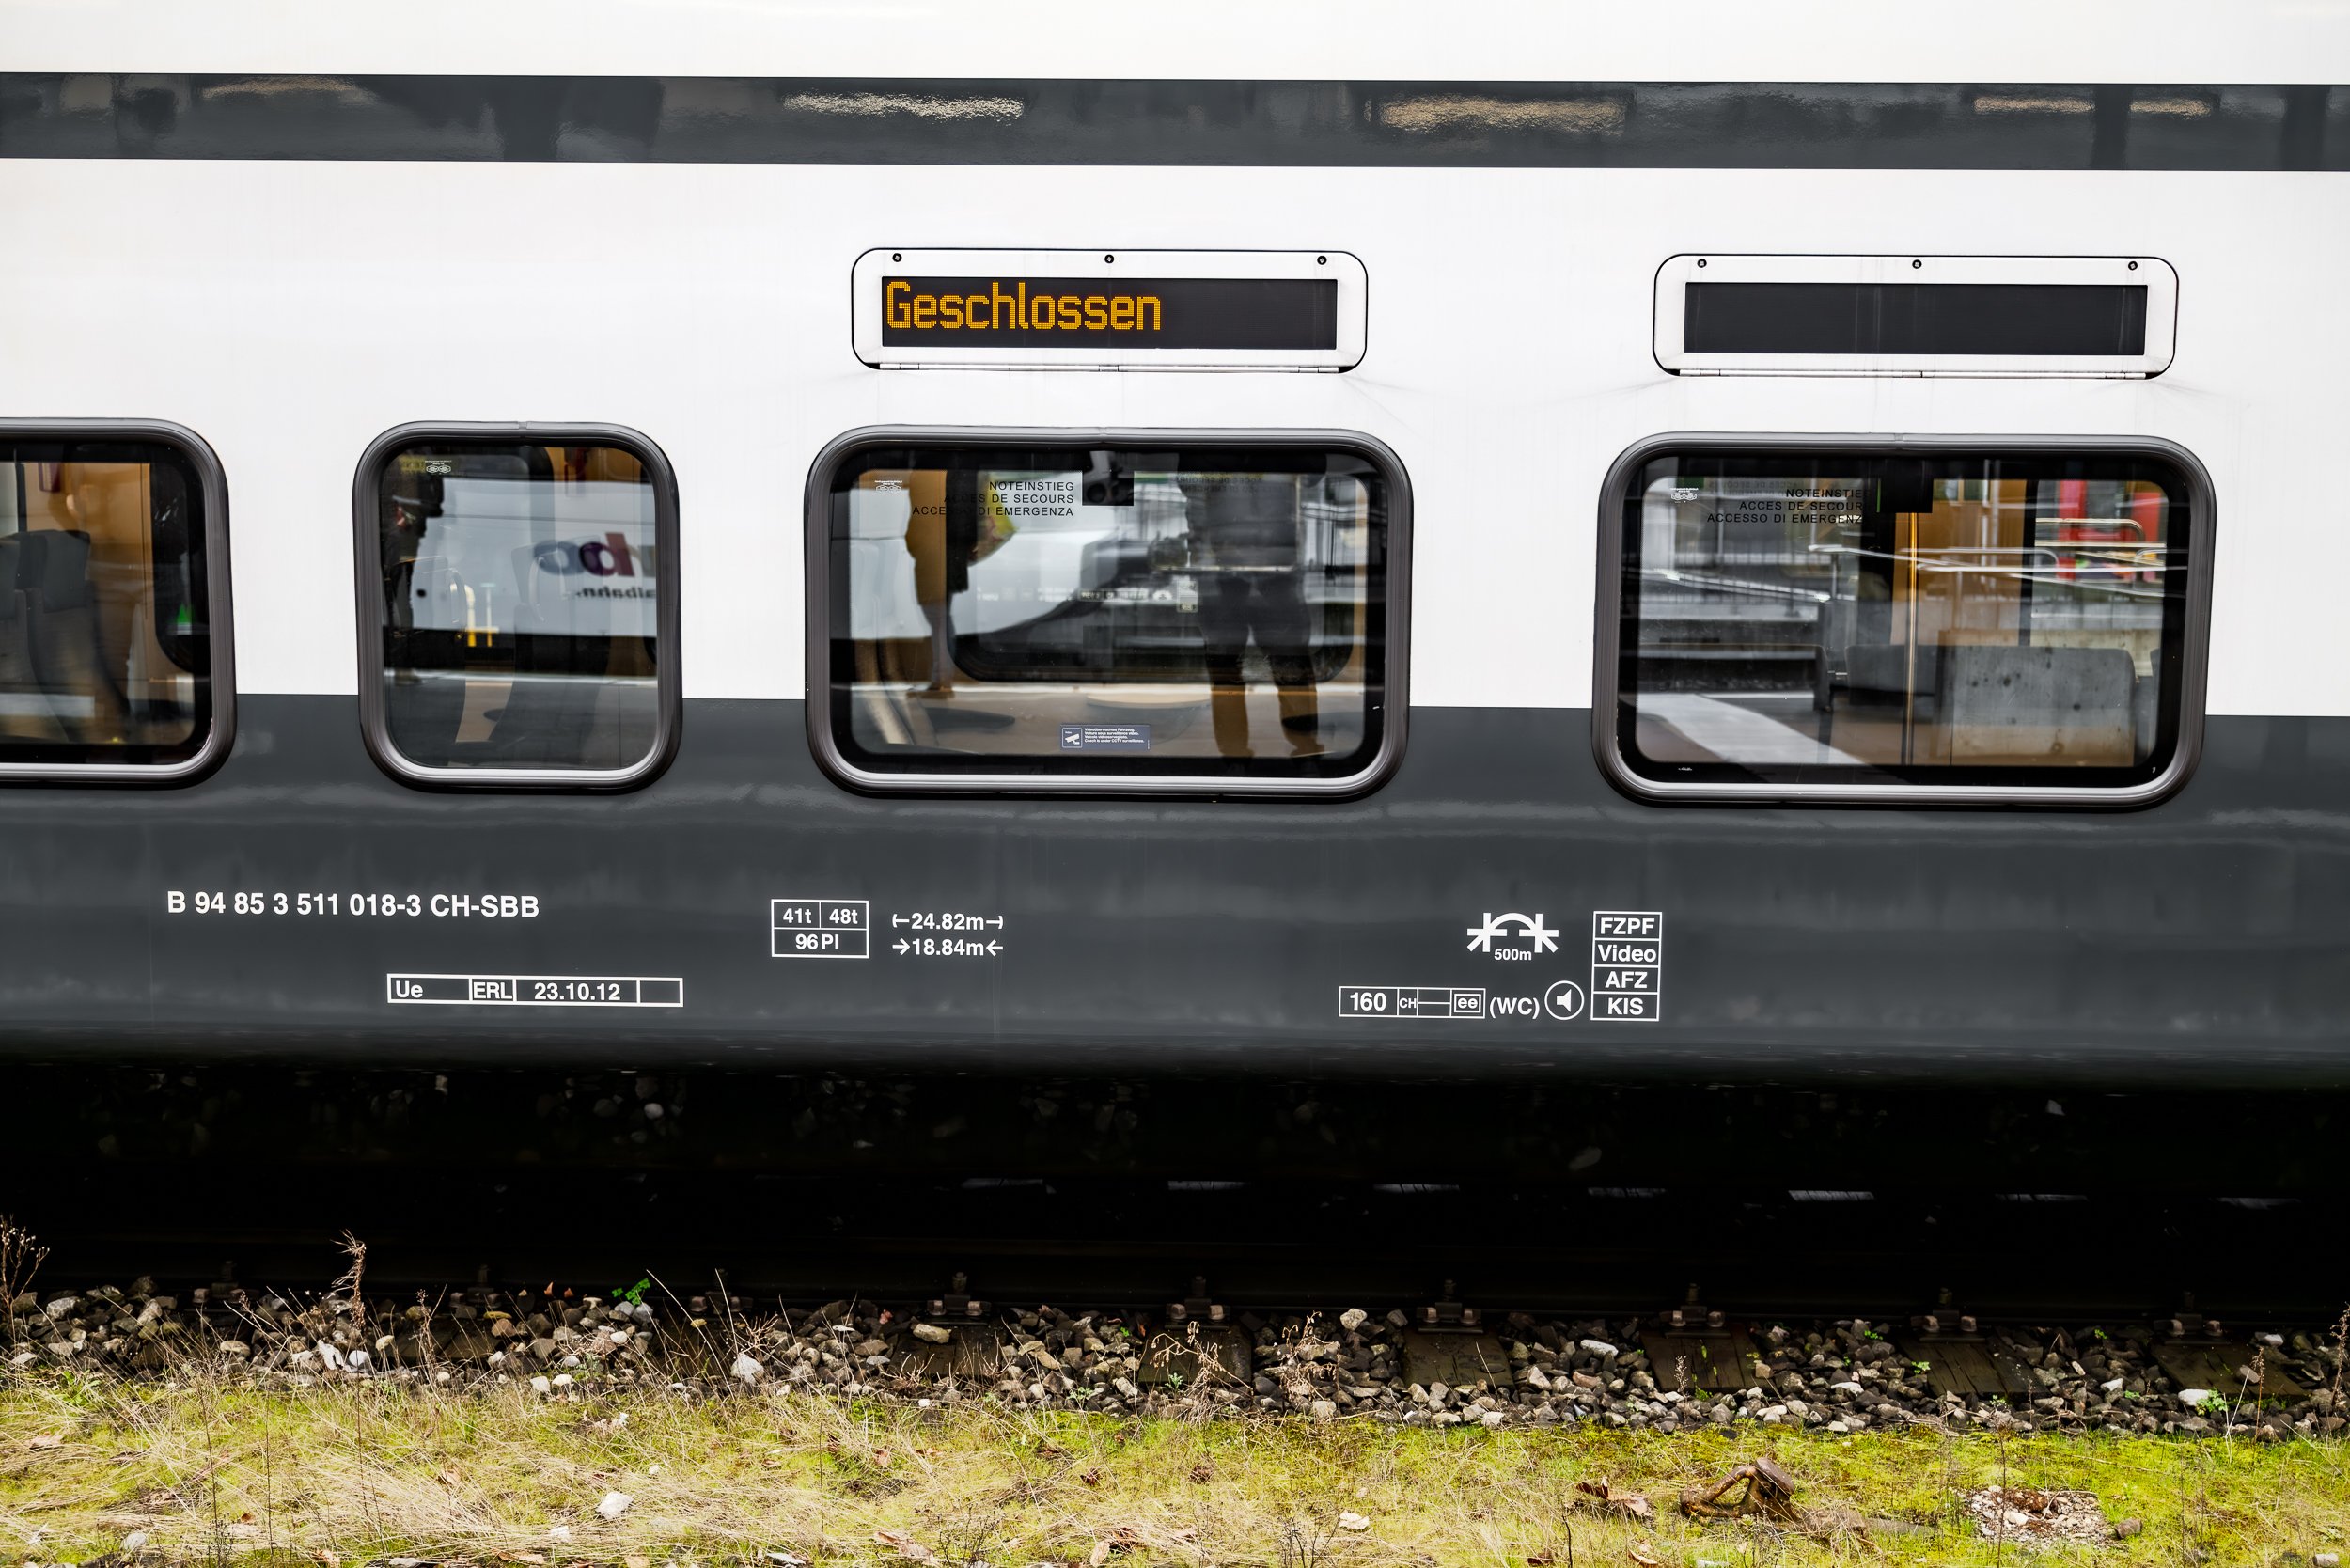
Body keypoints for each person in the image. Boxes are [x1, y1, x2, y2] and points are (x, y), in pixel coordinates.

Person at [1181, 471, 1318, 757]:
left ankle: (1302, 749)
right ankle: (1238, 753)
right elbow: (1187, 481)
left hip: (1273, 569)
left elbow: (1313, 473)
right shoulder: (1214, 460)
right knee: (1229, 670)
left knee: (1287, 668)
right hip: (1226, 572)